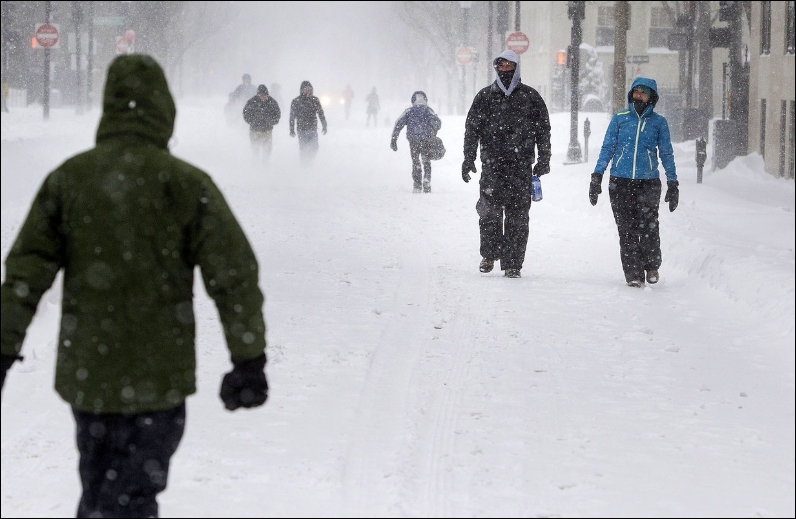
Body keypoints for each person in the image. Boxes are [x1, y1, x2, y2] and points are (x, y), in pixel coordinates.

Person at [0, 54, 269, 518]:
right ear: (165, 109)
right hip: (159, 378)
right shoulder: (186, 185)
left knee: (100, 483)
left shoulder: (69, 180)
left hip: (91, 376)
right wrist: (248, 358)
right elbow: (234, 274)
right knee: (135, 493)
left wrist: (3, 346)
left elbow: (26, 272)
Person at [461, 49, 551, 279]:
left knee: (518, 217)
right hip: (492, 167)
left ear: (517, 67)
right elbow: (472, 130)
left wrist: (544, 158)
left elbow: (543, 130)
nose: (504, 70)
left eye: (509, 66)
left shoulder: (530, 97)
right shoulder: (484, 97)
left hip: (521, 168)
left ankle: (513, 263)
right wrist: (468, 157)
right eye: (500, 66)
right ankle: (489, 255)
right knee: (489, 213)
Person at [589, 77, 678, 288]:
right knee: (626, 229)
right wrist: (597, 176)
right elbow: (607, 148)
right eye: (636, 91)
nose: (638, 95)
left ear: (651, 97)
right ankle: (633, 273)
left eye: (643, 92)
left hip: (648, 182)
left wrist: (673, 182)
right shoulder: (620, 118)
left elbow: (666, 153)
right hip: (620, 182)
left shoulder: (659, 123)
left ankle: (652, 265)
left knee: (648, 226)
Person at [390, 90, 442, 193]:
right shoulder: (428, 110)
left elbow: (398, 124)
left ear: (413, 100)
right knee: (426, 160)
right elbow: (438, 123)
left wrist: (394, 140)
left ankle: (417, 185)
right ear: (425, 99)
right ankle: (427, 180)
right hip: (427, 139)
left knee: (416, 161)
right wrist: (433, 130)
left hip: (413, 140)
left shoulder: (409, 111)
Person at [289, 80, 327, 166]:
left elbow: (320, 113)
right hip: (301, 129)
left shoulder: (315, 100)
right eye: (306, 89)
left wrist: (324, 125)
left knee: (315, 148)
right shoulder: (296, 101)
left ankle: (310, 161)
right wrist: (291, 129)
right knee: (303, 148)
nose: (308, 91)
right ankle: (304, 164)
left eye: (309, 89)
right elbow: (292, 116)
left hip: (312, 128)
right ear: (302, 90)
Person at [243, 84, 281, 165]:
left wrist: (272, 122)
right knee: (255, 148)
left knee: (267, 149)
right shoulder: (252, 102)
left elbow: (277, 114)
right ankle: (255, 163)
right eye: (261, 95)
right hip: (254, 130)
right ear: (258, 95)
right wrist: (251, 121)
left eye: (265, 95)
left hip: (267, 131)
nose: (263, 97)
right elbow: (245, 113)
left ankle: (265, 163)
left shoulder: (272, 102)